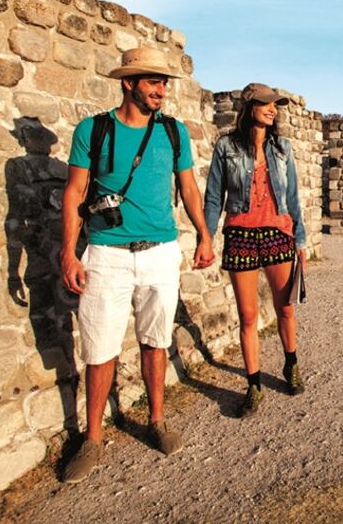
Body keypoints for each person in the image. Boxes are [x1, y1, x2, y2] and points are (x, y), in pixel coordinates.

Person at [59, 47, 215, 483]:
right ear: (128, 83)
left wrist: (204, 234)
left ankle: (156, 420)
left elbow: (189, 188)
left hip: (159, 252)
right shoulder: (93, 130)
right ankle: (92, 438)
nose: (161, 90)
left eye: (164, 82)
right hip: (105, 253)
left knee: (155, 340)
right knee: (99, 349)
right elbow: (75, 192)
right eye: (153, 81)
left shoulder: (174, 132)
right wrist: (68, 252)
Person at [204, 82, 308, 418]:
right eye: (266, 103)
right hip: (241, 236)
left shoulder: (282, 147)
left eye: (275, 104)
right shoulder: (226, 147)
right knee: (248, 316)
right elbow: (213, 197)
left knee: (285, 308)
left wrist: (300, 241)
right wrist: (206, 237)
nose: (273, 109)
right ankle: (253, 385)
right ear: (249, 107)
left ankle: (291, 364)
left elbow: (293, 198)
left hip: (278, 233)